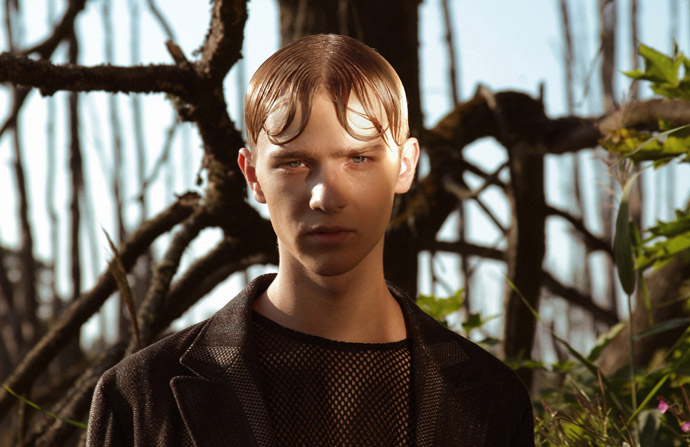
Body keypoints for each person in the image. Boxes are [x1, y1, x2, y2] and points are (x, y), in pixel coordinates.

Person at [86, 33, 534, 447]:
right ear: (253, 175)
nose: (326, 196)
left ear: (405, 165)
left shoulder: (493, 401)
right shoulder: (139, 397)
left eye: (359, 158)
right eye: (294, 163)